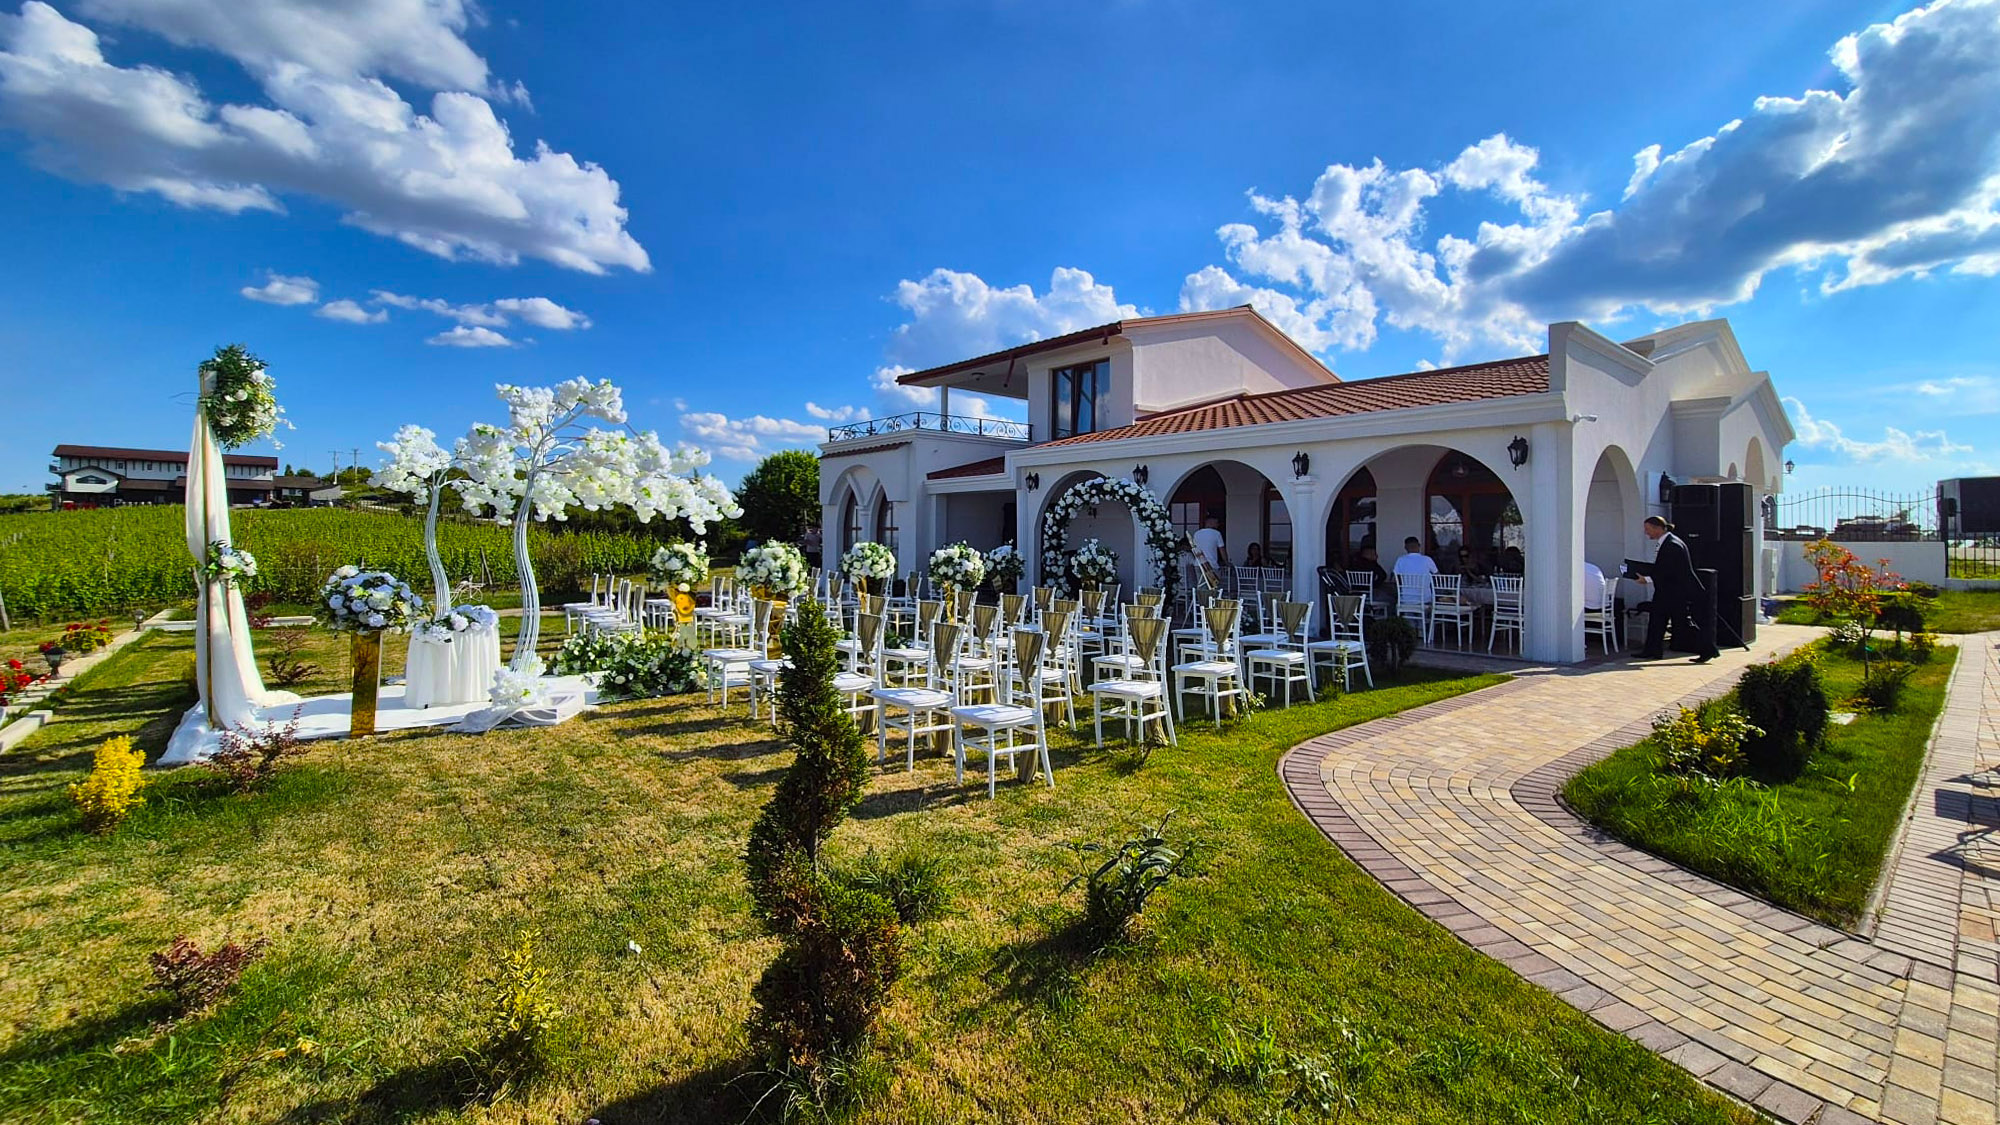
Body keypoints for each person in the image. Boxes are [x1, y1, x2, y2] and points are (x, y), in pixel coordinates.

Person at [1639, 516, 1718, 663]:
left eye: (1648, 529)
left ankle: (1708, 649)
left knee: (1683, 623)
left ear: (1657, 528)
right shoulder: (1667, 543)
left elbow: (1667, 570)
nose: (1646, 532)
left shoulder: (1672, 545)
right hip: (1667, 591)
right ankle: (1652, 650)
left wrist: (1648, 579)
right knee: (1657, 620)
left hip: (1677, 592)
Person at [1392, 535, 1439, 606]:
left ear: (1405, 547)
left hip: (1406, 599)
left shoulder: (1400, 560)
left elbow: (1394, 579)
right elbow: (1437, 576)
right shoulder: (1427, 559)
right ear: (1419, 546)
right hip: (1425, 599)